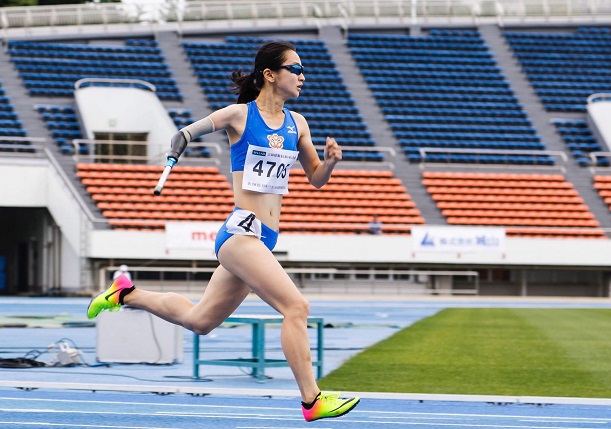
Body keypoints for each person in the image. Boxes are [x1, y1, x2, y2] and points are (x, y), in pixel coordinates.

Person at [86, 40, 360, 422]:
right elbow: (184, 134)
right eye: (295, 68)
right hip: (241, 233)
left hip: (265, 237)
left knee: (201, 321)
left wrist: (329, 162)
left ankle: (126, 294)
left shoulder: (298, 123)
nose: (302, 75)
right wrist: (177, 147)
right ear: (270, 74)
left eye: (302, 69)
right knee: (296, 307)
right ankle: (311, 400)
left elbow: (315, 178)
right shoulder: (239, 116)